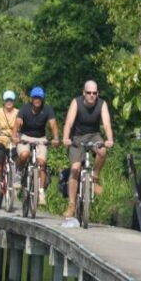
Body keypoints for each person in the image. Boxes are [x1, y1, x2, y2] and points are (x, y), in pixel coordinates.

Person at [61, 80, 114, 217]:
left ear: (97, 94)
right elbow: (69, 122)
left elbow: (107, 124)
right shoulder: (76, 102)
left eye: (94, 93)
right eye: (89, 93)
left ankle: (95, 178)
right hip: (77, 137)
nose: (91, 95)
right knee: (75, 168)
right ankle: (71, 205)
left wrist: (110, 139)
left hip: (94, 135)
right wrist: (66, 138)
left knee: (102, 150)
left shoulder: (102, 104)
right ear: (84, 93)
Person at [14, 86, 60, 206]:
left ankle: (41, 192)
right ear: (31, 98)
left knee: (42, 163)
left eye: (39, 98)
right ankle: (18, 173)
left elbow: (53, 123)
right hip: (25, 136)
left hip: (40, 138)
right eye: (35, 98)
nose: (37, 100)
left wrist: (55, 138)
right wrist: (14, 136)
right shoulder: (25, 108)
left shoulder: (47, 109)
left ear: (42, 98)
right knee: (24, 154)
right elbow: (18, 121)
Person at [0, 90, 18, 191]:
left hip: (13, 140)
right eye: (7, 100)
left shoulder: (18, 113)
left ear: (14, 101)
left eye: (11, 100)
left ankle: (16, 177)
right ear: (3, 101)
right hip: (1, 138)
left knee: (15, 156)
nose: (9, 102)